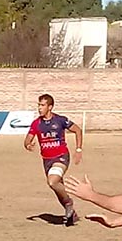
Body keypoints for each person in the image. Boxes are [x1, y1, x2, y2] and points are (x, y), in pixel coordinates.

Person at [24, 94, 83, 226]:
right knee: (57, 187)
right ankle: (71, 213)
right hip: (47, 160)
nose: (39, 108)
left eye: (42, 105)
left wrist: (78, 149)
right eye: (39, 105)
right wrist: (28, 145)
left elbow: (78, 130)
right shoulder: (36, 123)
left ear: (50, 107)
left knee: (52, 181)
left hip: (61, 156)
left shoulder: (60, 120)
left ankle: (69, 203)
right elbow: (27, 139)